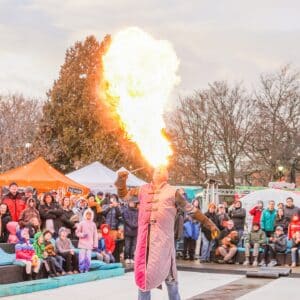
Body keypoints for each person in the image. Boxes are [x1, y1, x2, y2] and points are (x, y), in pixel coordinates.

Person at [115, 167, 219, 300]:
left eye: (162, 170)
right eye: (156, 170)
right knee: (143, 279)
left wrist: (210, 224)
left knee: (171, 280)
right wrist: (121, 181)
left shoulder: (173, 192)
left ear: (167, 175)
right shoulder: (142, 189)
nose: (158, 171)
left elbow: (191, 210)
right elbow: (124, 197)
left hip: (163, 244)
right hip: (144, 244)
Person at [76, 209, 98, 273]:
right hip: (82, 243)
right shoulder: (82, 223)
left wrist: (95, 244)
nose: (89, 216)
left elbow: (95, 235)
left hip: (90, 244)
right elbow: (77, 232)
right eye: (87, 214)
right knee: (82, 257)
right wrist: (82, 235)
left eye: (90, 214)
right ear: (85, 215)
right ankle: (81, 269)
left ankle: (87, 269)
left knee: (88, 257)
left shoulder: (93, 224)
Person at [123, 198, 138, 264]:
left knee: (133, 245)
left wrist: (136, 225)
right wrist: (133, 225)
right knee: (127, 245)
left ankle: (131, 257)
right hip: (128, 230)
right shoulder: (126, 211)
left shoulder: (137, 211)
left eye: (133, 203)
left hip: (135, 230)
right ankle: (126, 257)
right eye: (131, 202)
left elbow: (139, 219)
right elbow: (126, 220)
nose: (132, 204)